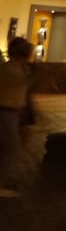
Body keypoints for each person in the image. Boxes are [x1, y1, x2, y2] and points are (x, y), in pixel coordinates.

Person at [0, 36, 36, 198]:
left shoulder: (14, 68)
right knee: (10, 148)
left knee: (9, 148)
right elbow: (27, 83)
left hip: (12, 112)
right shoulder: (13, 70)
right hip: (5, 112)